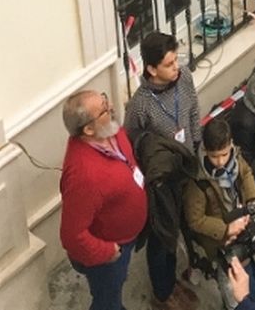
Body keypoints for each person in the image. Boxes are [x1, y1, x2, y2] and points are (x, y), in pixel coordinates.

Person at [124, 32, 203, 309]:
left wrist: (195, 149)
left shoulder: (185, 80)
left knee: (182, 225)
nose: (177, 67)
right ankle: (162, 291)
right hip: (161, 182)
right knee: (162, 237)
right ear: (151, 69)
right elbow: (132, 143)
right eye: (169, 64)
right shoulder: (140, 105)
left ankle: (172, 281)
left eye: (176, 60)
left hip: (187, 167)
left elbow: (193, 112)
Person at [59, 88, 149, 310]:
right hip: (108, 256)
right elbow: (71, 236)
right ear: (88, 129)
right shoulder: (84, 176)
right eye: (103, 110)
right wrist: (109, 252)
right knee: (107, 299)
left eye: (105, 100)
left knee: (114, 291)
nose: (111, 108)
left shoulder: (110, 130)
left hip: (126, 237)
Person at [182, 117, 255, 282]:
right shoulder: (198, 179)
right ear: (205, 149)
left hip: (239, 215)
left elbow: (245, 173)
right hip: (218, 234)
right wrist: (226, 230)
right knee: (227, 276)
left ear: (231, 144)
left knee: (248, 258)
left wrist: (251, 201)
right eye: (213, 156)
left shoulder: (235, 157)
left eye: (224, 154)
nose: (220, 162)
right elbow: (195, 220)